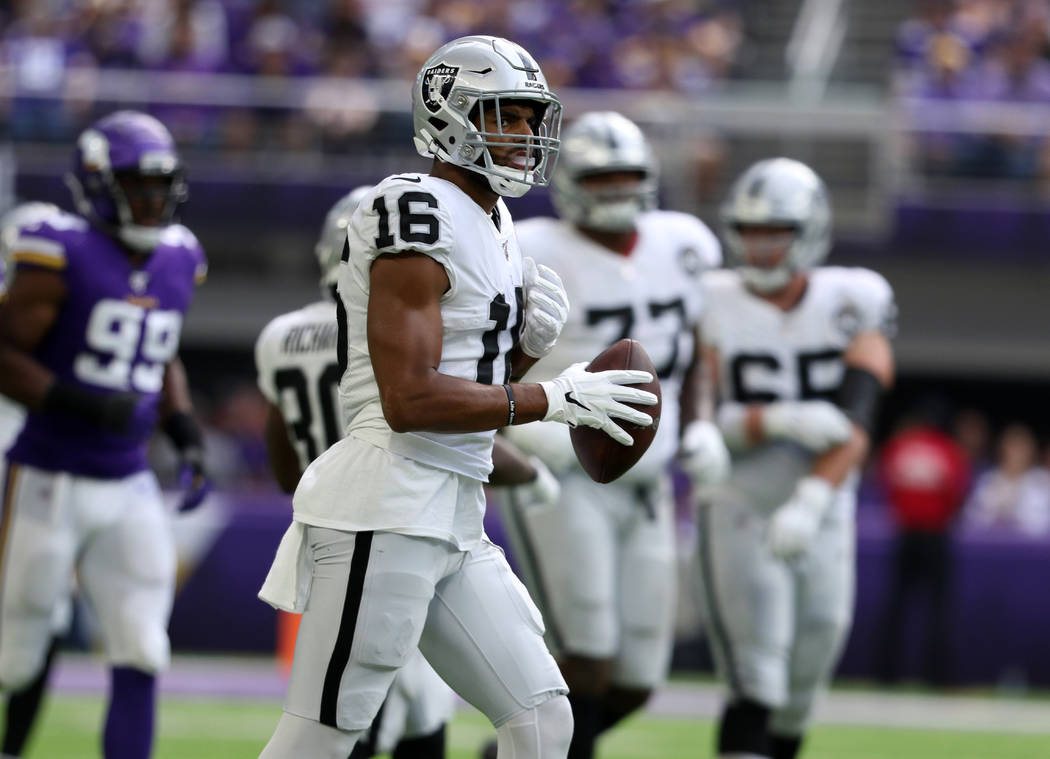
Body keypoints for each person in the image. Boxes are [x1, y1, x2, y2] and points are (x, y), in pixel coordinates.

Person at [255, 35, 658, 758]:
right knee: (322, 732)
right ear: (448, 115)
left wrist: (526, 350)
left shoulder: (494, 221)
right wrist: (551, 395)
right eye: (505, 116)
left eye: (532, 119)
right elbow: (409, 399)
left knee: (542, 716)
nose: (526, 136)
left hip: (454, 508)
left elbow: (472, 382)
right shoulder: (412, 206)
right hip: (384, 504)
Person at [496, 110, 727, 759]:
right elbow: (484, 354)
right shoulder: (527, 244)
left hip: (649, 479)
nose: (615, 189)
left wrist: (704, 422)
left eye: (627, 175)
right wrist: (521, 423)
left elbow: (700, 346)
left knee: (636, 679)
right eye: (600, 177)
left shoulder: (684, 241)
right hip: (561, 467)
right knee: (585, 655)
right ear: (569, 181)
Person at [0, 110, 211, 759]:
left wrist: (182, 427)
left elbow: (161, 351)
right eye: (135, 184)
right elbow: (4, 353)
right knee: (17, 648)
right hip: (49, 474)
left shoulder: (181, 256)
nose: (151, 198)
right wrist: (80, 403)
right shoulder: (56, 249)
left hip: (127, 480)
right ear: (96, 183)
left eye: (159, 184)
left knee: (143, 642)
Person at [696, 157, 896, 759]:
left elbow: (859, 417)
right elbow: (699, 417)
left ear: (808, 230)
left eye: (774, 231)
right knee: (757, 674)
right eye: (751, 230)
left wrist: (813, 496)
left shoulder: (855, 297)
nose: (759, 246)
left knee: (808, 674)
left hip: (824, 503)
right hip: (739, 500)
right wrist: (773, 419)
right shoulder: (710, 298)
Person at [876, 397, 970, 686]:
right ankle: (937, 678)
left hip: (906, 535)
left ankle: (886, 676)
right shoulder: (949, 450)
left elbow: (885, 485)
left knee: (896, 607)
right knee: (938, 609)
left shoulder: (901, 445)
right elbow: (958, 495)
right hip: (935, 535)